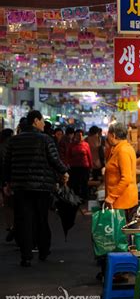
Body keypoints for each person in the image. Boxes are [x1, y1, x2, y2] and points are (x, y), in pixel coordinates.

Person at [3, 110, 69, 267]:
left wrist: (7, 183)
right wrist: (64, 171)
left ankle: (26, 256)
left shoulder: (14, 140)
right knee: (41, 218)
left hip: (20, 187)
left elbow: (7, 163)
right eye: (41, 121)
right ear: (35, 121)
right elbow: (54, 159)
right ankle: (44, 250)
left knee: (24, 220)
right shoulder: (45, 139)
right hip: (41, 187)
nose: (43, 124)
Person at [104, 122, 138, 220]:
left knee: (120, 234)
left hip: (122, 203)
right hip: (121, 201)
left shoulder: (122, 151)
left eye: (108, 135)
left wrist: (111, 197)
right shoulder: (121, 148)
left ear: (113, 135)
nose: (107, 138)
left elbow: (126, 178)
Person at [67, 129, 92, 200]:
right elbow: (68, 156)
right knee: (75, 184)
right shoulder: (71, 145)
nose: (80, 137)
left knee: (84, 183)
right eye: (78, 135)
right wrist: (68, 165)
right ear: (75, 136)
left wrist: (90, 166)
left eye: (81, 135)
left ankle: (84, 198)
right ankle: (75, 199)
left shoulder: (86, 144)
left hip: (84, 168)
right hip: (74, 168)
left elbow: (89, 156)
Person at [0, 129, 14, 242]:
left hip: (4, 180)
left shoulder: (3, 147)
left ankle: (10, 227)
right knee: (12, 204)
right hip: (10, 179)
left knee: (7, 205)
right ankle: (13, 228)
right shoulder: (9, 148)